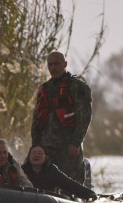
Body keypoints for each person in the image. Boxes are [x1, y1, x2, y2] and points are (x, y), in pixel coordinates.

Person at [31, 51, 92, 184]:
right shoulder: (44, 89)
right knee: (45, 185)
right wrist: (35, 146)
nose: (53, 68)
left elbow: (84, 117)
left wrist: (75, 143)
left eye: (57, 64)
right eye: (50, 65)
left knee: (72, 184)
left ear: (65, 64)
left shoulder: (77, 86)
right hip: (46, 149)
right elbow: (36, 120)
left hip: (68, 148)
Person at [22, 145, 97, 200]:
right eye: (33, 153)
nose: (36, 155)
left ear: (46, 157)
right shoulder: (23, 171)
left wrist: (89, 193)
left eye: (40, 153)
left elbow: (69, 184)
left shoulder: (51, 170)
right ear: (29, 157)